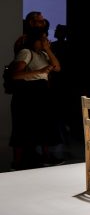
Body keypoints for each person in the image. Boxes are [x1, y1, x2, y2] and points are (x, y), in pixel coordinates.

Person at [9, 28, 62, 170]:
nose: (46, 41)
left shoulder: (43, 53)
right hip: (27, 94)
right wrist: (38, 71)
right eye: (43, 39)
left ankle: (45, 157)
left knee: (44, 125)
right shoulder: (26, 52)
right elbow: (15, 75)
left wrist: (48, 50)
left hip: (42, 93)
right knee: (22, 128)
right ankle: (18, 162)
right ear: (35, 40)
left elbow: (57, 67)